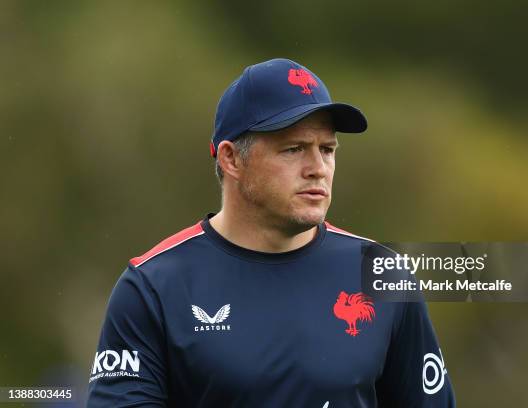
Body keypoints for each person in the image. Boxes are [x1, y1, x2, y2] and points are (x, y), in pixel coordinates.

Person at [87, 58, 455, 407]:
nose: (318, 168)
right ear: (231, 159)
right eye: (294, 149)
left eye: (327, 150)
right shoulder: (153, 287)